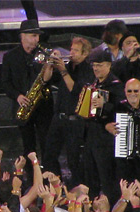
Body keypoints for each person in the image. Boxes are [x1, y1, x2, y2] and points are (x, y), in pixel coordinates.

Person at [1, 19, 56, 184]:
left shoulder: (44, 54)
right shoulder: (10, 57)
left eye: (37, 36)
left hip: (43, 107)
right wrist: (17, 96)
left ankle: (50, 181)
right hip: (23, 107)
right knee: (28, 147)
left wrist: (50, 67)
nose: (36, 40)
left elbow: (48, 80)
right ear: (22, 36)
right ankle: (32, 182)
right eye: (33, 36)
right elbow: (5, 82)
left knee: (47, 145)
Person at [42, 37, 95, 187]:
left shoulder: (88, 70)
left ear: (85, 54)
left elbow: (75, 90)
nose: (71, 53)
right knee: (49, 156)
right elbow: (46, 79)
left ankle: (77, 192)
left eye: (76, 50)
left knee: (73, 160)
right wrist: (49, 64)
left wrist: (63, 70)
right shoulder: (66, 66)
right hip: (58, 119)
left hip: (75, 121)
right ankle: (55, 187)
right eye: (71, 49)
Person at [83, 49, 125, 202]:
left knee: (106, 178)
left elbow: (122, 109)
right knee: (90, 175)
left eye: (99, 65)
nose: (96, 69)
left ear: (108, 66)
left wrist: (105, 104)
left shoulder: (116, 85)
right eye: (94, 65)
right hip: (92, 138)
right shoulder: (94, 83)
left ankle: (111, 209)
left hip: (106, 140)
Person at [106, 78, 140, 201]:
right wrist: (107, 126)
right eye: (129, 91)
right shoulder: (118, 108)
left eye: (136, 90)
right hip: (124, 160)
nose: (132, 94)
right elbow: (105, 123)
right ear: (124, 91)